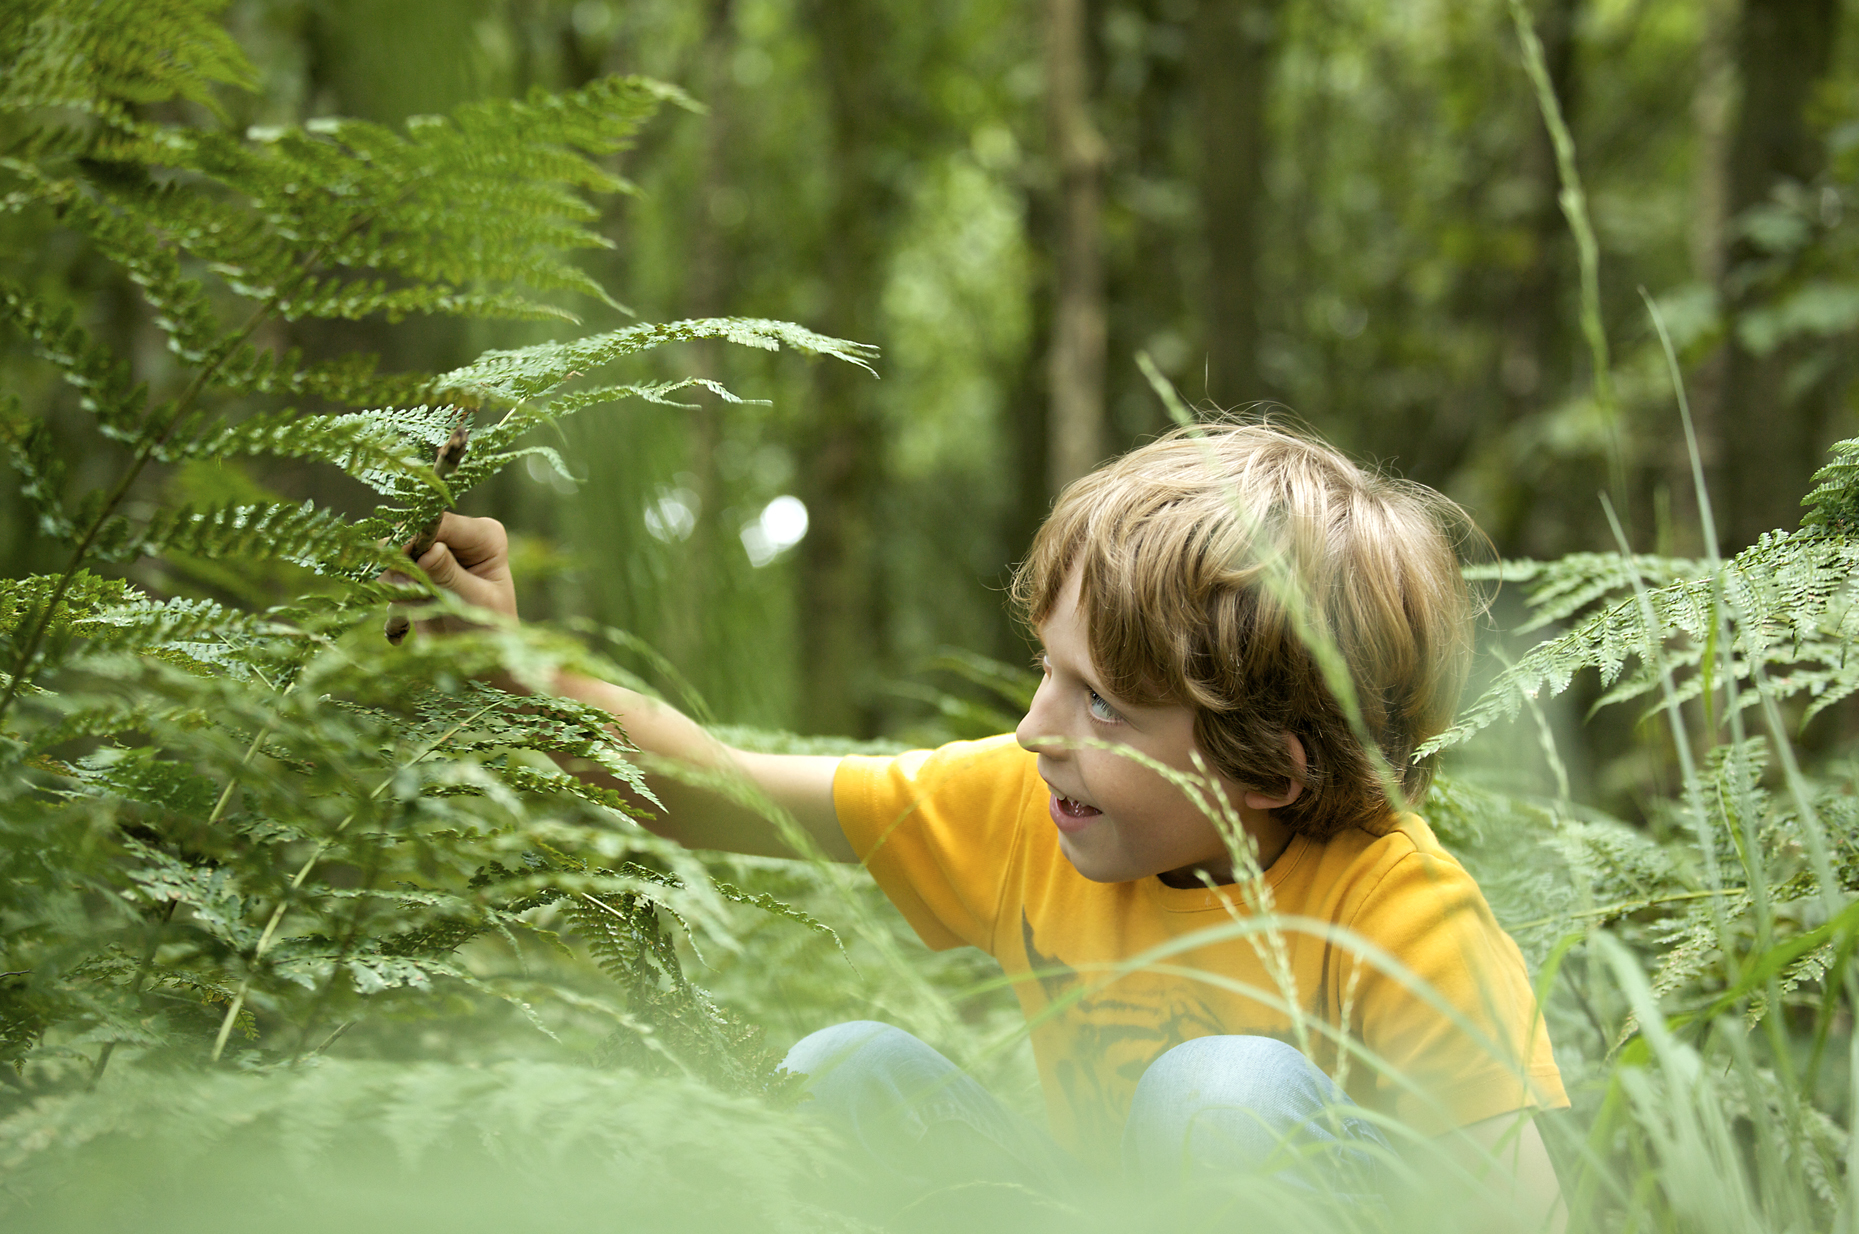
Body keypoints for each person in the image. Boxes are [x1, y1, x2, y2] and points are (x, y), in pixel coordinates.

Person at [409, 421, 1569, 1228]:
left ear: (1268, 765)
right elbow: (714, 787)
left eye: (1102, 700)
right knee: (840, 1072)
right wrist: (507, 670)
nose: (1033, 729)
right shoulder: (1033, 808)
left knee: (1222, 1096)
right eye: (1047, 671)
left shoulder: (1401, 913)